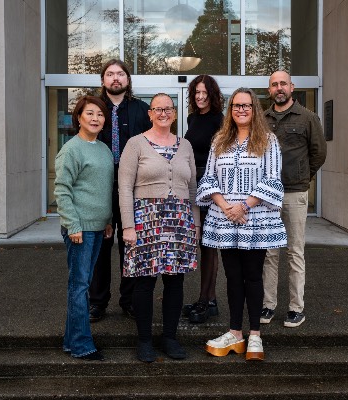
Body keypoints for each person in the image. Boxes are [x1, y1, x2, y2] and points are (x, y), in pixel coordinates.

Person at [197, 88, 286, 361]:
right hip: (225, 219)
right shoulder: (220, 140)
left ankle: (255, 335)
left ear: (254, 109)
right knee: (232, 277)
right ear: (230, 109)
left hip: (255, 219)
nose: (241, 110)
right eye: (236, 105)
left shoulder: (268, 140)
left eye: (246, 105)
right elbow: (209, 178)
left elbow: (272, 180)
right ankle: (235, 333)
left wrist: (244, 205)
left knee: (253, 276)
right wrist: (226, 206)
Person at [118, 93, 200, 363]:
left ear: (174, 114)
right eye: (157, 109)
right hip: (146, 220)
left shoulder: (185, 145)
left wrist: (195, 225)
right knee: (144, 281)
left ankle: (170, 338)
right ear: (150, 114)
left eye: (168, 109)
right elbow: (124, 188)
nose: (163, 113)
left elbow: (192, 189)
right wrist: (128, 226)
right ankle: (144, 341)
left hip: (179, 221)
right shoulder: (135, 144)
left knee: (175, 282)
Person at [261, 70, 327, 328]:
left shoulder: (308, 117)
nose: (279, 88)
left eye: (283, 84)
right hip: (267, 195)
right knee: (269, 253)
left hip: (295, 193)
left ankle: (296, 308)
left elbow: (319, 153)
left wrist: (303, 177)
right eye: (274, 84)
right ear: (269, 90)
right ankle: (267, 306)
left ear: (292, 87)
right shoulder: (262, 119)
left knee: (295, 252)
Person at [89, 59, 152, 323]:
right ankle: (97, 302)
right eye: (110, 74)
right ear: (103, 80)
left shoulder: (142, 110)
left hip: (133, 190)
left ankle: (129, 300)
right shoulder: (93, 110)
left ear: (127, 79)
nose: (116, 78)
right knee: (100, 248)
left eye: (120, 74)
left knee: (131, 246)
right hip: (100, 189)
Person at [54, 95, 114, 361]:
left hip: (98, 228)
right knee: (79, 287)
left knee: (81, 284)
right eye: (90, 113)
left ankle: (71, 341)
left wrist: (108, 220)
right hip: (79, 229)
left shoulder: (103, 149)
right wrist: (72, 224)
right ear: (79, 117)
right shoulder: (71, 150)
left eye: (100, 114)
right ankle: (81, 345)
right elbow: (62, 191)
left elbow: (103, 191)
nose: (95, 118)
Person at [182, 75, 224, 324]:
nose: (200, 97)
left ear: (212, 95)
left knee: (209, 245)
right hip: (193, 186)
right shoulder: (192, 118)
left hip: (210, 188)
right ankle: (208, 299)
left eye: (204, 93)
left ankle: (206, 300)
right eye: (196, 92)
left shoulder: (220, 122)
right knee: (202, 244)